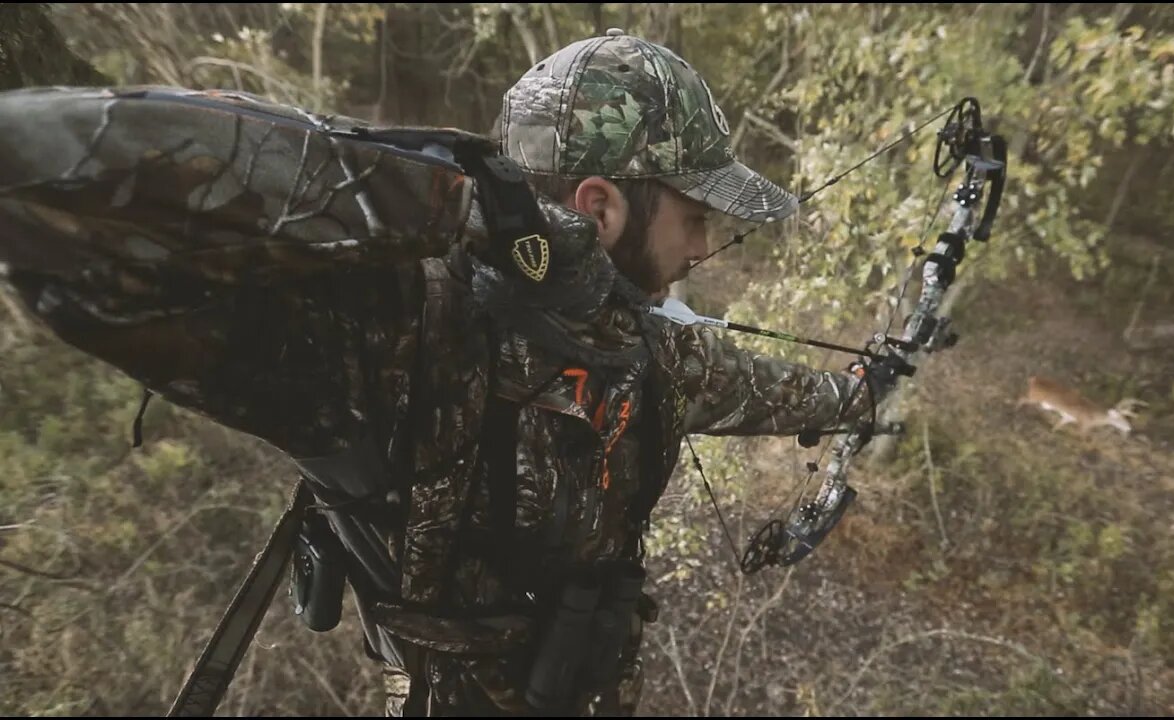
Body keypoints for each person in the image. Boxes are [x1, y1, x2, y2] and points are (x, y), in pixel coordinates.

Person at [0, 29, 873, 717]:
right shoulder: (400, 337)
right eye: (693, 216)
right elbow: (56, 214)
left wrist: (860, 395)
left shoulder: (636, 336)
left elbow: (752, 383)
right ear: (599, 209)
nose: (705, 246)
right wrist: (448, 202)